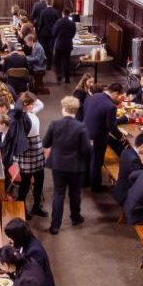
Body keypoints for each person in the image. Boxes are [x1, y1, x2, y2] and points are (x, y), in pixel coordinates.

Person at [42, 96, 90, 234]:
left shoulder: (54, 124)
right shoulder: (81, 127)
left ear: (63, 109)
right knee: (75, 193)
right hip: (76, 166)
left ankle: (55, 225)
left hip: (58, 165)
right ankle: (75, 217)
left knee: (58, 194)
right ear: (75, 111)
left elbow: (46, 143)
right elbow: (86, 149)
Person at [82, 82, 124, 192]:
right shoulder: (110, 106)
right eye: (119, 95)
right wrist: (120, 137)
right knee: (96, 160)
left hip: (85, 132)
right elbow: (111, 126)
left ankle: (84, 181)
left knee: (87, 158)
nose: (119, 98)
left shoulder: (95, 96)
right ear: (115, 93)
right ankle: (96, 186)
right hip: (97, 137)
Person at [14, 92, 48, 218]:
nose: (34, 106)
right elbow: (17, 108)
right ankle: (21, 207)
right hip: (26, 148)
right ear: (24, 104)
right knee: (26, 181)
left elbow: (41, 104)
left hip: (37, 145)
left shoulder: (32, 111)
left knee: (40, 179)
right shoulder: (19, 115)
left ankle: (36, 206)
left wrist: (28, 94)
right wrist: (22, 102)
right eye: (31, 104)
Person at [4, 219, 55, 286]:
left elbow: (31, 278)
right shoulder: (26, 240)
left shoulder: (34, 251)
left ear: (18, 237)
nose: (9, 240)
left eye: (11, 237)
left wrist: (12, 274)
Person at [113, 133, 143, 206]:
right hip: (126, 193)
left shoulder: (126, 151)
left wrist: (141, 164)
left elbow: (131, 167)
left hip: (119, 188)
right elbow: (138, 178)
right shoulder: (134, 160)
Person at [52, 7, 77, 83]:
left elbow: (54, 33)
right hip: (68, 44)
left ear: (62, 14)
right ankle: (67, 78)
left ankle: (59, 74)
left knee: (57, 61)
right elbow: (73, 34)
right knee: (67, 61)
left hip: (59, 44)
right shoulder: (72, 23)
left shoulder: (58, 22)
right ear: (69, 14)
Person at [35, 0, 60, 69]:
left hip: (44, 33)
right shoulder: (56, 12)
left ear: (46, 3)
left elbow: (40, 23)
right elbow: (57, 23)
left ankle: (44, 64)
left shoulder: (43, 12)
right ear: (52, 3)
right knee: (51, 49)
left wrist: (38, 32)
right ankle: (49, 65)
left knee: (44, 49)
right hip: (52, 34)